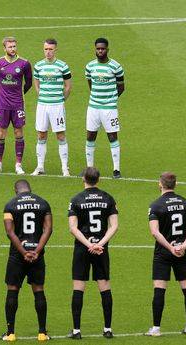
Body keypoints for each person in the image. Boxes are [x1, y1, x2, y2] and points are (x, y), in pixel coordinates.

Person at [67, 167, 118, 339]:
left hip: (82, 248)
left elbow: (73, 228)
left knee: (79, 286)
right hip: (101, 249)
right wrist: (100, 244)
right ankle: (108, 329)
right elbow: (114, 226)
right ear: (99, 179)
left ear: (83, 179)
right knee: (104, 286)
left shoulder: (76, 200)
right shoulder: (108, 198)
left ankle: (76, 331)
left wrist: (89, 244)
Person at [145, 172, 186, 337]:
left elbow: (154, 232)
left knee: (159, 289)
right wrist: (183, 246)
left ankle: (156, 328)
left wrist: (170, 247)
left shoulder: (156, 205)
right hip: (182, 252)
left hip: (163, 253)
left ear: (160, 183)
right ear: (176, 184)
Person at [1, 180, 52, 341]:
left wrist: (23, 252)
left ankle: (10, 334)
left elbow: (10, 232)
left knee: (12, 290)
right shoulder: (43, 203)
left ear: (15, 190)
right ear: (30, 189)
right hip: (37, 255)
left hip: (17, 255)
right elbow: (48, 229)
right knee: (39, 291)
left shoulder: (10, 205)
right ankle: (42, 333)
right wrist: (36, 251)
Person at [0, 37, 32, 175]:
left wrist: (20, 94)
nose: (13, 49)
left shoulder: (24, 63)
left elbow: (29, 83)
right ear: (4, 48)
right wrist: (2, 93)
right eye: (10, 47)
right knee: (1, 133)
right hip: (2, 104)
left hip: (17, 104)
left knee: (18, 132)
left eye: (14, 46)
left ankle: (18, 165)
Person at [84, 38, 125, 178]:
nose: (100, 51)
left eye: (102, 48)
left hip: (109, 109)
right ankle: (89, 168)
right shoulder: (90, 66)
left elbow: (121, 87)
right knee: (90, 135)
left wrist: (111, 99)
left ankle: (116, 170)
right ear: (95, 49)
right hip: (93, 108)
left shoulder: (116, 66)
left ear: (107, 49)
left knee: (112, 136)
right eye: (98, 48)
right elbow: (90, 83)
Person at [31, 38, 72, 177]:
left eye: (50, 49)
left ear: (55, 50)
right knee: (41, 134)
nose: (48, 52)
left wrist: (61, 100)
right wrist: (40, 94)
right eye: (46, 49)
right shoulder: (38, 66)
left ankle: (65, 168)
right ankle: (40, 167)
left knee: (60, 135)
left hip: (57, 106)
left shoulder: (63, 66)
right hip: (42, 105)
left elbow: (68, 87)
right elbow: (36, 82)